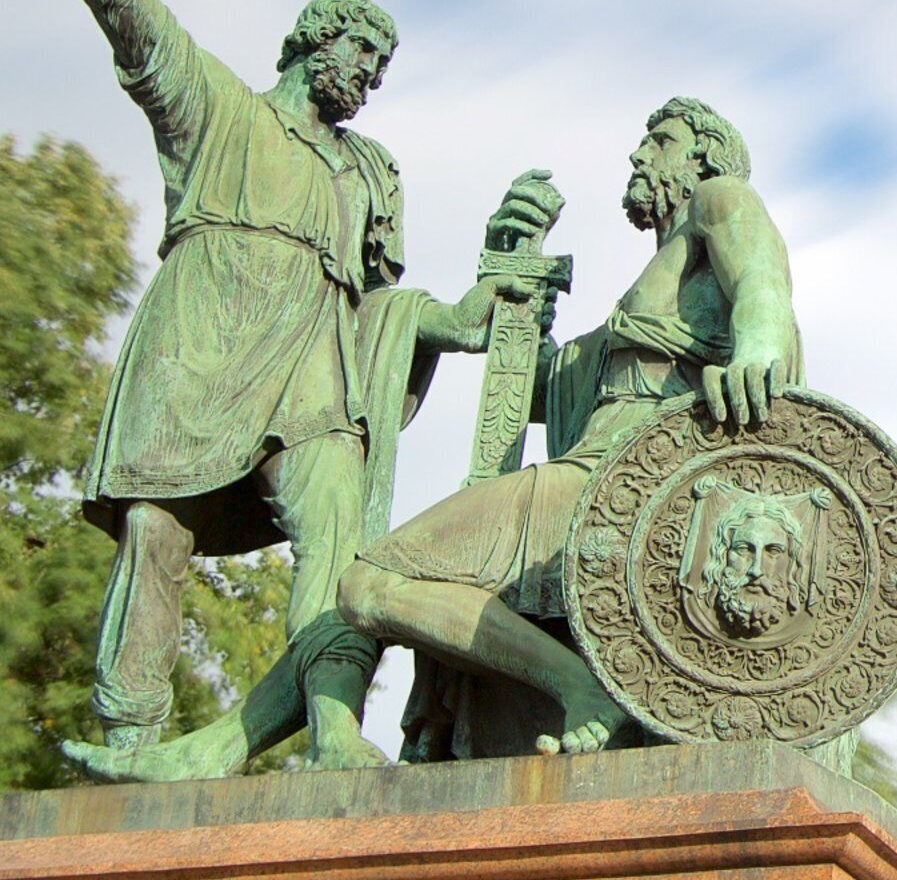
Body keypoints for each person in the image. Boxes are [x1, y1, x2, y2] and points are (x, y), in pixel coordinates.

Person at [24, 0, 512, 770]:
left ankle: (332, 727)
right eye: (359, 56)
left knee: (336, 539)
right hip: (201, 347)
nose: (370, 79)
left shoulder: (369, 173)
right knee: (158, 535)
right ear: (308, 42)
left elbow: (384, 313)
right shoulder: (214, 111)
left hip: (312, 374)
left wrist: (465, 317)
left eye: (381, 68)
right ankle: (128, 733)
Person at [64, 98, 798, 778]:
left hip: (625, 482)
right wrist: (514, 273)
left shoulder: (719, 200)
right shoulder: (657, 280)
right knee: (368, 582)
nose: (641, 154)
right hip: (589, 473)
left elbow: (763, 282)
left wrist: (759, 345)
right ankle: (216, 748)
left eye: (660, 140)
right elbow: (544, 389)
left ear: (702, 159)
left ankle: (583, 687)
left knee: (371, 583)